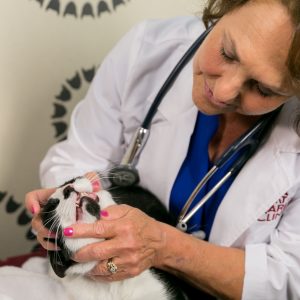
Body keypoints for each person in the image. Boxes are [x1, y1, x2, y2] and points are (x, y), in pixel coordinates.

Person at [25, 0, 300, 299]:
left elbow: (287, 279)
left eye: (263, 89)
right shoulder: (147, 50)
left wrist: (163, 246)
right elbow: (77, 157)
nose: (223, 92)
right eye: (227, 52)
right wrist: (69, 211)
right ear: (223, 8)